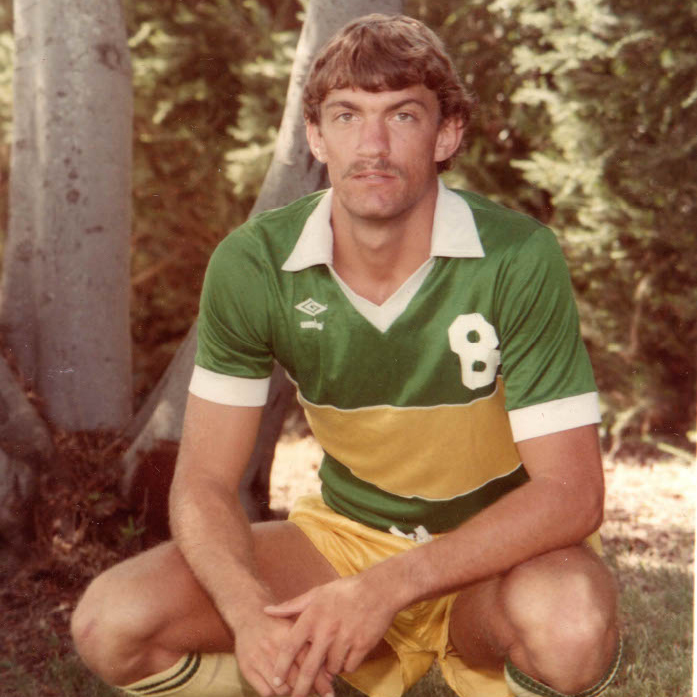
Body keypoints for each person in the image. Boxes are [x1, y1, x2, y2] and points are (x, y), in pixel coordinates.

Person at [71, 13, 622, 697]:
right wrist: (248, 616)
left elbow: (571, 495)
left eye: (402, 115)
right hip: (346, 540)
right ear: (314, 135)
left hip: (494, 558)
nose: (372, 144)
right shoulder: (255, 263)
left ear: (445, 132)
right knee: (112, 621)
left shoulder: (516, 255)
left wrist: (389, 586)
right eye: (346, 114)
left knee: (570, 627)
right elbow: (205, 481)